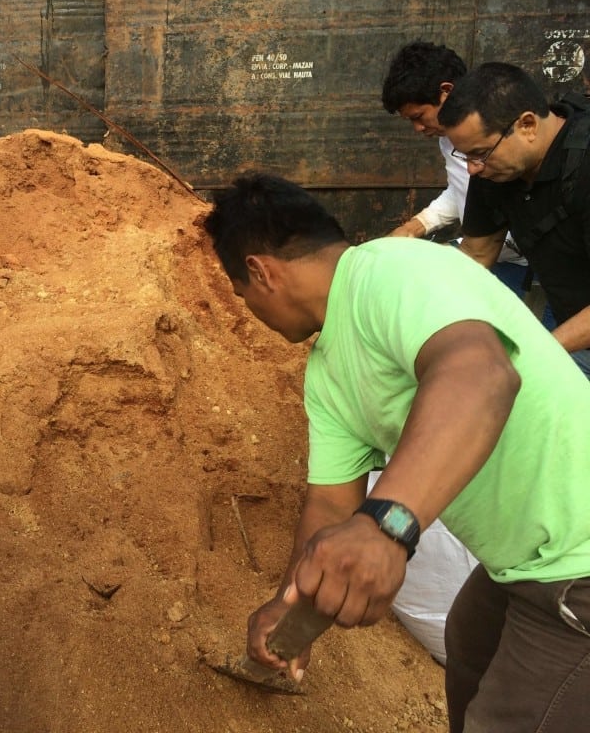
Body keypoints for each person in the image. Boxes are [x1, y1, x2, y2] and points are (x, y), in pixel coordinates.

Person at [203, 172, 590, 732]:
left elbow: (481, 374)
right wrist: (287, 604)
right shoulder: (328, 371)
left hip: (578, 562)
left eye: (244, 297)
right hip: (525, 563)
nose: (252, 315)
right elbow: (332, 508)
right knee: (468, 645)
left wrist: (386, 527)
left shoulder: (393, 270)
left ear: (262, 272)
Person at [439, 62, 590, 377]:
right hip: (573, 335)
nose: (472, 169)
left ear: (528, 125)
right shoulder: (493, 170)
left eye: (479, 153)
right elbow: (476, 256)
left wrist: (536, 352)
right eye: (465, 156)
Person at [381, 41, 533, 301]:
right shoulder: (448, 139)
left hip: (530, 266)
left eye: (419, 116)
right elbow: (462, 189)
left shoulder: (504, 135)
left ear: (446, 92)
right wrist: (418, 225)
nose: (475, 168)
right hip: (489, 258)